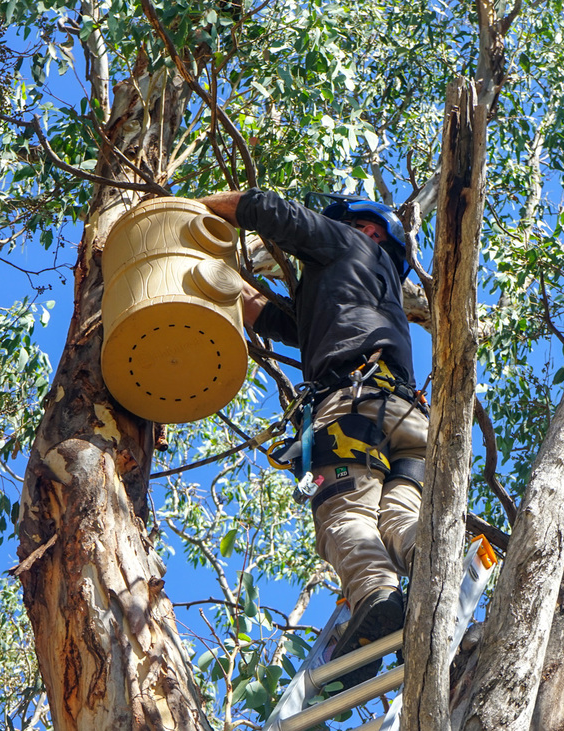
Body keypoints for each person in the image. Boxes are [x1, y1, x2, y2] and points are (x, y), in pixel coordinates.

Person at [199, 189, 428, 687]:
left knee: (346, 515)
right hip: (410, 422)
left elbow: (271, 210)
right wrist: (214, 276)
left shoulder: (349, 243)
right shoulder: (366, 290)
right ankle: (436, 567)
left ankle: (376, 595)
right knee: (400, 519)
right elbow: (277, 319)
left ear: (368, 228)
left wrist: (197, 209)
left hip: (354, 407)